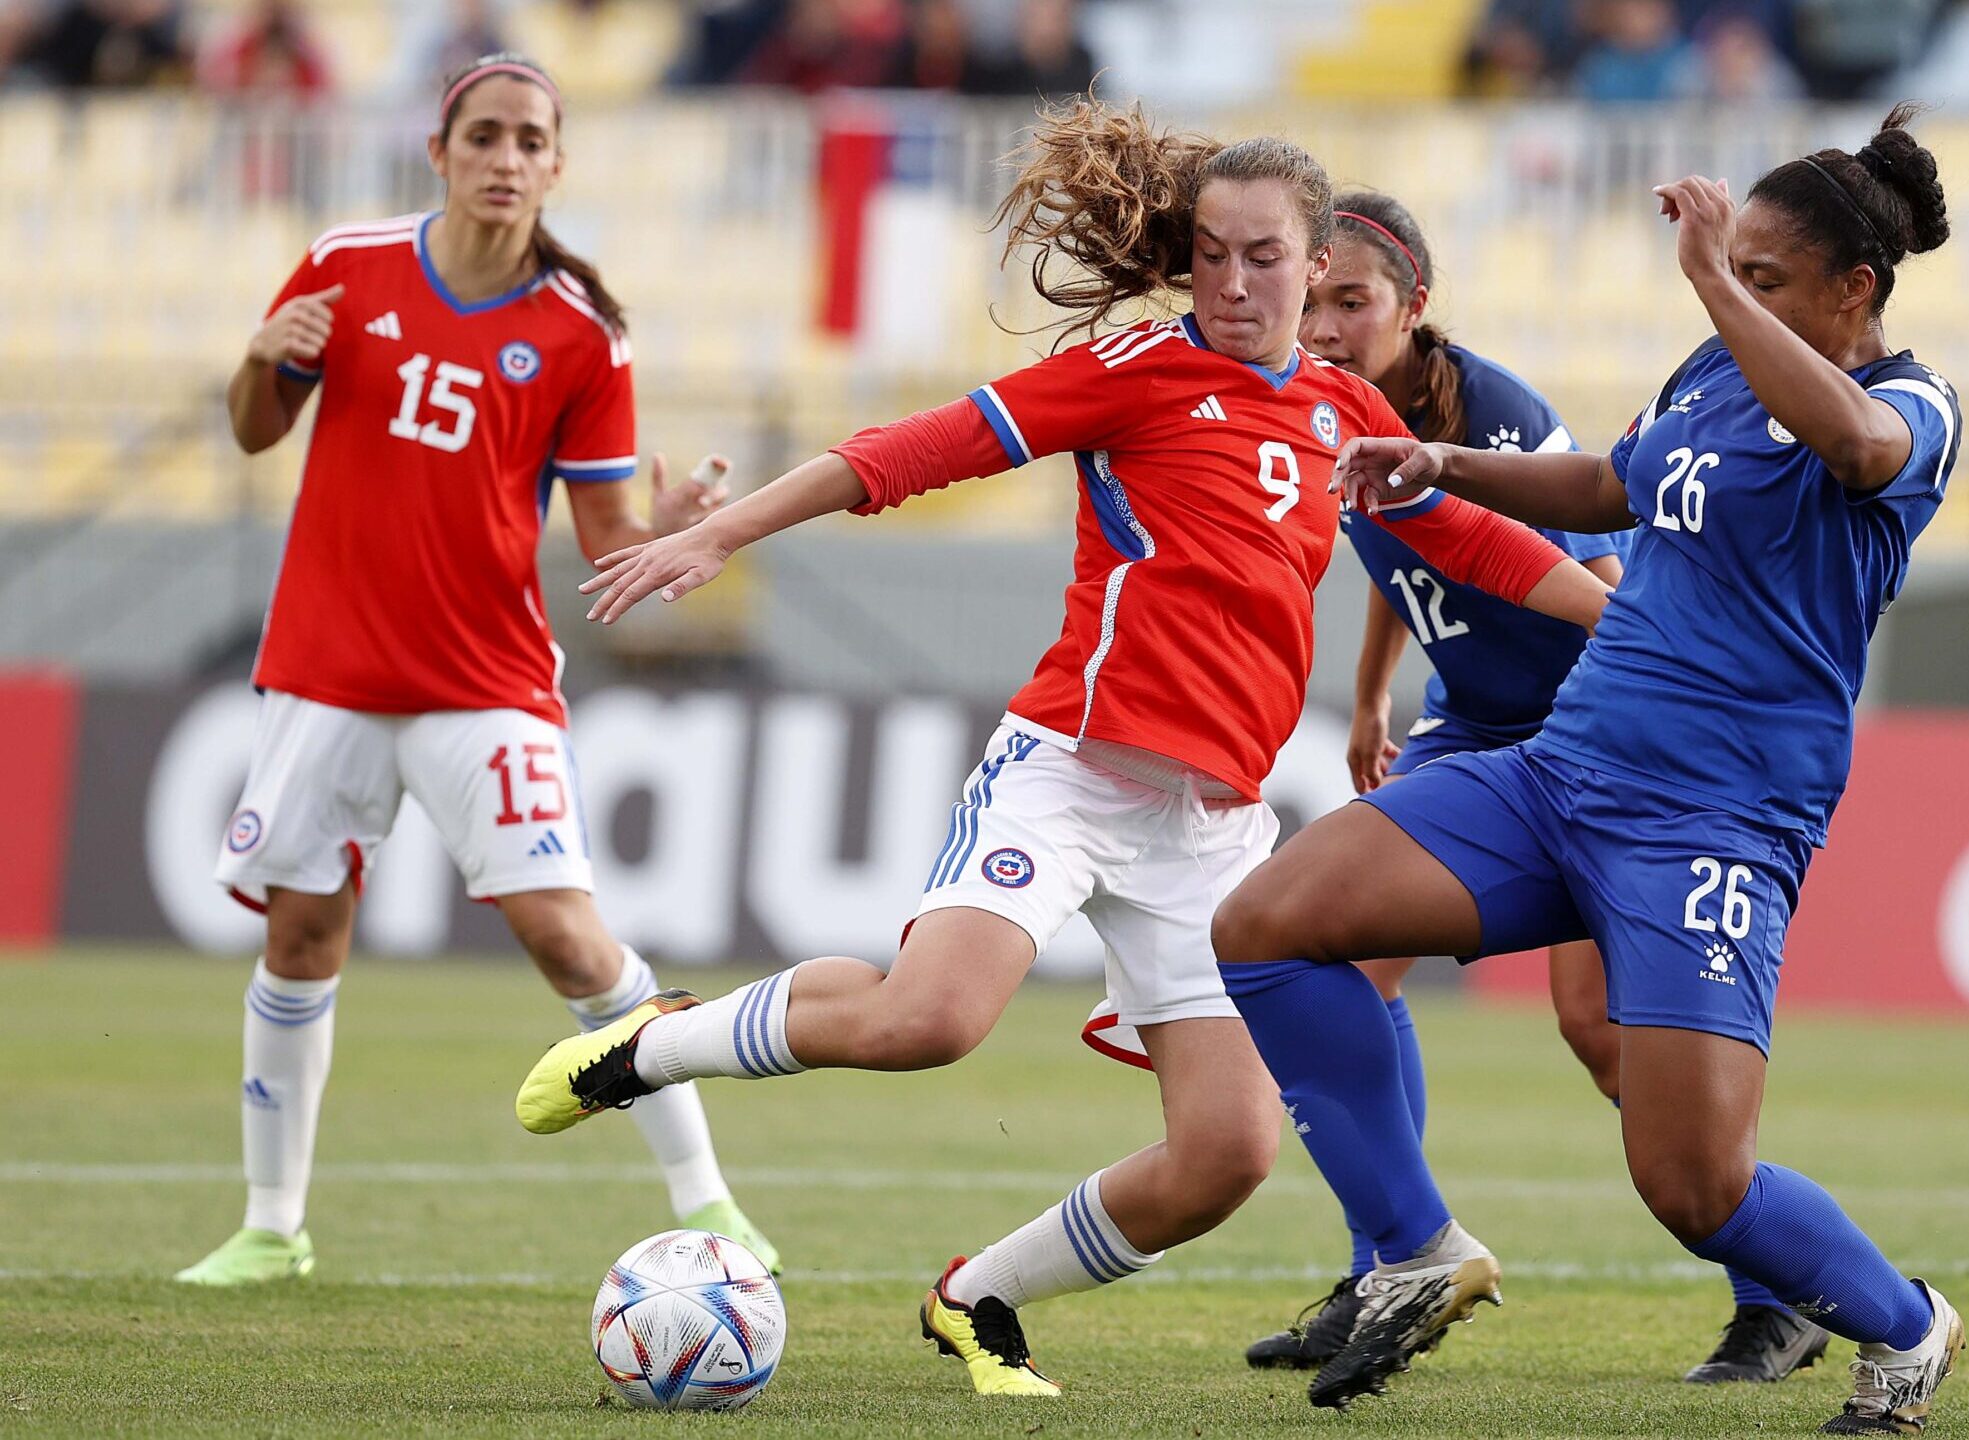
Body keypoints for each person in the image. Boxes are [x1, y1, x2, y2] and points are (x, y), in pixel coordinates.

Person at [509, 98, 1612, 1398]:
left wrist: (1659, 638)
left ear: (1316, 266)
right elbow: (910, 452)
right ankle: (655, 1046)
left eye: (1267, 256)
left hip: (1209, 831)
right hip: (1072, 772)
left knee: (1225, 1158)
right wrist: (719, 535)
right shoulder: (1137, 374)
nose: (1239, 281)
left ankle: (975, 1302)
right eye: (1213, 252)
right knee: (929, 1020)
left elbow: (1485, 548)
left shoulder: (1340, 424)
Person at [1211, 103, 1969, 1432]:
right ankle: (1410, 1253)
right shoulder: (1712, 370)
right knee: (1269, 924)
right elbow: (1614, 485)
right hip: (1561, 775)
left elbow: (1854, 450)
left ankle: (1905, 1328)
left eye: (1774, 278)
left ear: (1858, 290)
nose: (1745, 294)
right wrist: (1440, 465)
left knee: (1692, 1184)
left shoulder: (1913, 408)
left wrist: (1714, 278)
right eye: (1745, 273)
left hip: (1716, 822)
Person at [182, 52, 777, 1287]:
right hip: (327, 672)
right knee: (300, 937)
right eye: (485, 137)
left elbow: (609, 544)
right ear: (441, 154)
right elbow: (253, 429)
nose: (506, 160)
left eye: (530, 142)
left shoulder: (580, 334)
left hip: (481, 685)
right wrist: (257, 355)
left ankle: (709, 1204)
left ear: (556, 167)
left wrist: (665, 523)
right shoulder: (347, 267)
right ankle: (270, 1226)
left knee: (571, 944)